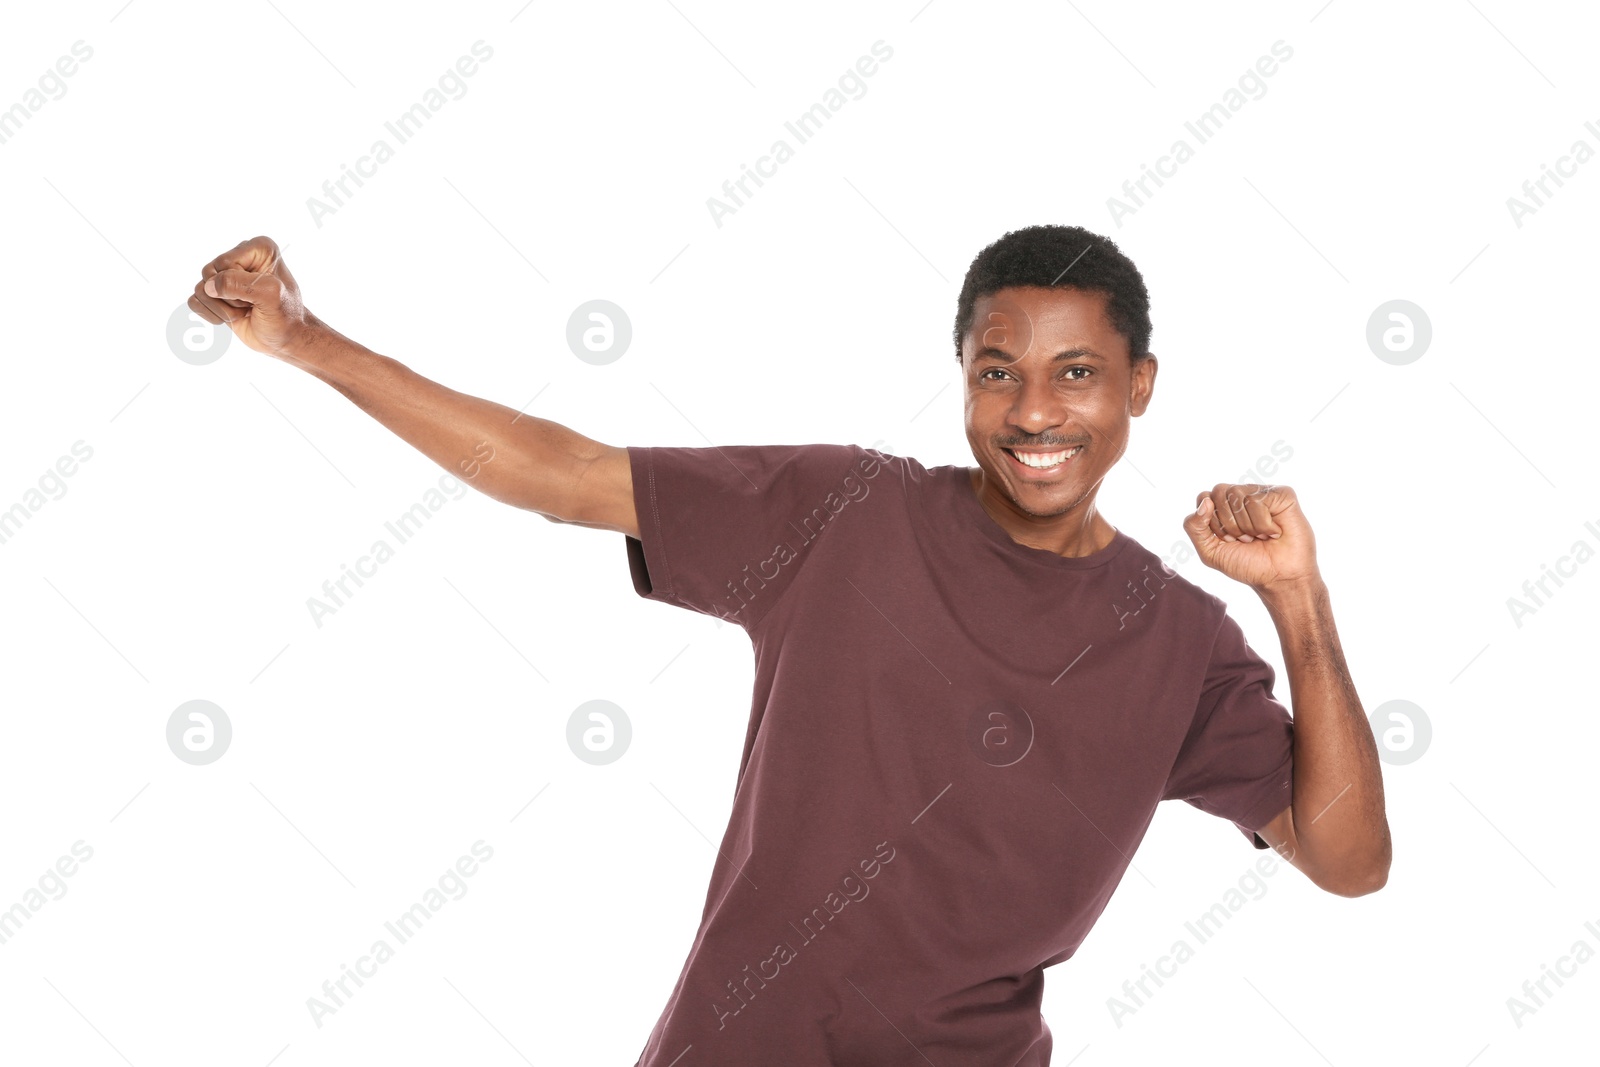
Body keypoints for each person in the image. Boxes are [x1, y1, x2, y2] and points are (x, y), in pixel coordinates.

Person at [188, 224, 1390, 1065]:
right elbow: (563, 475)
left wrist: (1301, 603)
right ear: (964, 382)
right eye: (997, 372)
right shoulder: (845, 511)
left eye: (1076, 373)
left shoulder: (1178, 638)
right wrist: (308, 340)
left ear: (1140, 384)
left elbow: (1347, 858)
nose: (1033, 412)